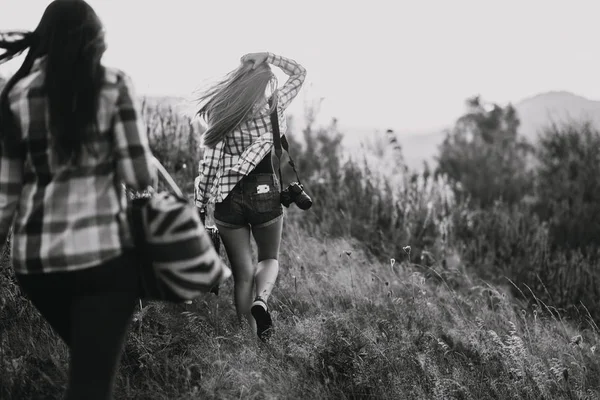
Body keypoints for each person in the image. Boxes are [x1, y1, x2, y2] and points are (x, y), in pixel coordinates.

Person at [0, 1, 155, 399]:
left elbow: (5, 195)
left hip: (37, 265)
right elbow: (139, 176)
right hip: (102, 259)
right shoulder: (114, 84)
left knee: (89, 367)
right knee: (91, 381)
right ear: (93, 38)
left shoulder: (17, 94)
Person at [195, 51, 306, 341]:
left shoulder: (222, 112)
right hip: (264, 191)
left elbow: (208, 165)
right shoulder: (273, 107)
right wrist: (268, 56)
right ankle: (262, 302)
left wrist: (200, 204)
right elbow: (299, 72)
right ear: (264, 84)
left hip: (226, 198)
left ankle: (250, 338)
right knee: (269, 258)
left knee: (242, 274)